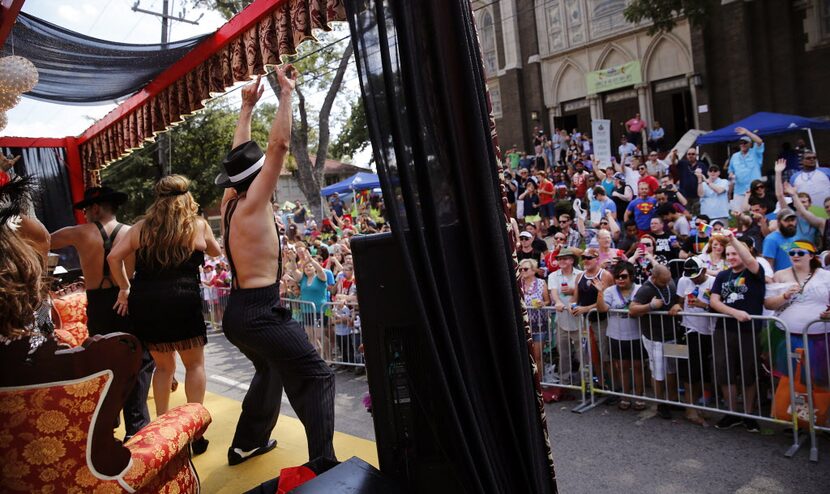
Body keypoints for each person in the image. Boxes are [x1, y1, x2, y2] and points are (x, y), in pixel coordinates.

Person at [217, 69, 335, 465]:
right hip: (259, 312)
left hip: (238, 311)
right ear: (260, 180)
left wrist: (246, 108)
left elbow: (240, 158)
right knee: (319, 376)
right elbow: (279, 144)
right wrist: (286, 94)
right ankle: (324, 463)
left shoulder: (230, 203)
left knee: (269, 369)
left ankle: (247, 442)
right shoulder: (252, 204)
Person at [108, 175, 220, 455]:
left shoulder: (140, 228)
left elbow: (113, 257)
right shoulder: (197, 225)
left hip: (148, 302)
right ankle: (195, 433)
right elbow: (216, 252)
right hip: (183, 300)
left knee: (163, 368)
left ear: (158, 199)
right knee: (194, 366)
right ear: (187, 197)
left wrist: (124, 287)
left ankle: (163, 432)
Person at [50, 186, 154, 440]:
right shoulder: (132, 232)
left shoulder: (79, 233)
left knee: (105, 361)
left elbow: (43, 239)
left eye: (86, 209)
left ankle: (108, 422)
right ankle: (137, 425)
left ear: (96, 208)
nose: (85, 214)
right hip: (127, 299)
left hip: (98, 303)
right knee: (138, 361)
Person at [708, 230, 765, 432]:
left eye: (735, 253)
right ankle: (732, 413)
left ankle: (747, 414)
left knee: (748, 372)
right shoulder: (723, 275)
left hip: (749, 331)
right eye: (729, 254)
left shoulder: (754, 272)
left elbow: (750, 261)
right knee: (725, 371)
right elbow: (714, 301)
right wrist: (734, 312)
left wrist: (732, 239)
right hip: (724, 330)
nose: (731, 257)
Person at [764, 241, 830, 389]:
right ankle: (792, 411)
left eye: (800, 253)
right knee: (790, 379)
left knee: (819, 380)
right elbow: (768, 304)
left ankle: (820, 410)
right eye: (792, 253)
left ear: (811, 256)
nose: (795, 256)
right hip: (787, 336)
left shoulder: (826, 276)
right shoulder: (780, 275)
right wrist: (784, 296)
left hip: (820, 338)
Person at [629, 264, 683, 419]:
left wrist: (678, 304)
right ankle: (660, 403)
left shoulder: (670, 282)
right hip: (654, 337)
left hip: (672, 335)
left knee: (672, 369)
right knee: (658, 371)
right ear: (653, 277)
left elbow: (678, 299)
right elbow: (632, 309)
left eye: (668, 280)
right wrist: (650, 306)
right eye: (663, 281)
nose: (667, 283)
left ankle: (673, 399)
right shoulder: (646, 289)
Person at [595, 261, 646, 410]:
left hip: (636, 335)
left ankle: (639, 396)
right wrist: (600, 292)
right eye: (617, 277)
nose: (620, 280)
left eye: (623, 276)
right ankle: (625, 396)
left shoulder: (640, 290)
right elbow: (602, 309)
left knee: (637, 366)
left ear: (631, 276)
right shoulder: (610, 291)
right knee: (622, 366)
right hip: (616, 335)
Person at [676, 257, 716, 426]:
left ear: (704, 270)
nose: (693, 278)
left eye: (696, 275)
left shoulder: (714, 282)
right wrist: (677, 307)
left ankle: (699, 407)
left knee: (704, 371)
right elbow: (678, 302)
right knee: (689, 370)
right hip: (689, 330)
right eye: (690, 275)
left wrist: (703, 305)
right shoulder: (683, 281)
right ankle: (690, 410)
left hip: (709, 331)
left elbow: (718, 305)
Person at [571, 247, 614, 383]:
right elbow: (575, 299)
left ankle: (614, 387)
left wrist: (586, 309)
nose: (586, 261)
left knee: (606, 356)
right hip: (585, 322)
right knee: (593, 356)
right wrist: (570, 306)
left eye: (589, 258)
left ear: (597, 259)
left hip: (602, 321)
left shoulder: (605, 275)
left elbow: (608, 300)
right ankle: (601, 385)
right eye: (584, 258)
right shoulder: (580, 276)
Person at [549, 248, 583, 386]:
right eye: (559, 259)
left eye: (564, 258)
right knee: (563, 353)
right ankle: (564, 382)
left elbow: (584, 292)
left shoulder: (580, 274)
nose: (561, 261)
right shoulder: (553, 275)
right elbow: (554, 292)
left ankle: (585, 382)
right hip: (561, 319)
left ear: (571, 260)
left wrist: (572, 291)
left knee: (583, 354)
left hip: (579, 320)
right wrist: (557, 302)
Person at [519, 259, 551, 373]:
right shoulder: (517, 284)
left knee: (537, 356)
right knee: (524, 356)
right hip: (523, 325)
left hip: (539, 325)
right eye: (521, 269)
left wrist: (542, 304)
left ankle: (539, 382)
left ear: (533, 271)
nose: (522, 271)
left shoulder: (541, 283)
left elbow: (548, 301)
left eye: (526, 269)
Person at [727, 127, 764, 210]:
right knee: (739, 215)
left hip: (754, 190)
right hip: (739, 191)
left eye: (745, 142)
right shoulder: (734, 156)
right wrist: (731, 176)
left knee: (756, 213)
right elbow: (731, 171)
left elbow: (759, 142)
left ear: (750, 144)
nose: (743, 144)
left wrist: (747, 132)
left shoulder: (755, 152)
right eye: (741, 143)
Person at [670, 148, 707, 213]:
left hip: (697, 196)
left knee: (698, 215)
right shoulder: (682, 163)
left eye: (693, 154)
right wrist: (674, 154)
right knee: (687, 215)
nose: (691, 155)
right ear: (686, 155)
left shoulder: (701, 165)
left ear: (696, 155)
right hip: (685, 195)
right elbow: (674, 162)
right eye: (689, 154)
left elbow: (705, 178)